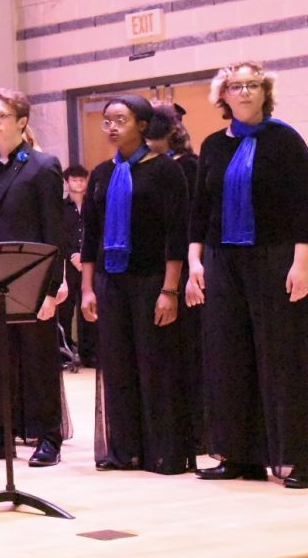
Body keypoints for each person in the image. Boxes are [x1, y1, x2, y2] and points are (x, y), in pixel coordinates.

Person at [187, 61, 308, 489]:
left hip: (274, 256)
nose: (243, 92)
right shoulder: (213, 145)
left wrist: (301, 263)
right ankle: (239, 455)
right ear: (223, 96)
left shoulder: (286, 141)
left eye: (252, 85)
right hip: (223, 258)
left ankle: (298, 457)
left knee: (281, 357)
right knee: (229, 355)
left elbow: (302, 205)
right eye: (235, 86)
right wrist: (194, 263)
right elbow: (201, 210)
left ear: (264, 92)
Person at [80, 95, 194, 474]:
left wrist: (170, 289)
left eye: (121, 120)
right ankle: (124, 450)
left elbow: (176, 234)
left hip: (151, 281)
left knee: (155, 364)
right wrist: (87, 288)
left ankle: (163, 452)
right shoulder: (100, 174)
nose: (111, 127)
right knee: (117, 366)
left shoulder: (165, 170)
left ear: (142, 126)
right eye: (107, 120)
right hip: (110, 281)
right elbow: (89, 238)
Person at [0, 88, 68, 468]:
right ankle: (1, 433)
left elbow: (54, 233)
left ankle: (48, 435)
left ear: (22, 121)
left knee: (39, 357)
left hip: (33, 278)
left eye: (1, 116)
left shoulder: (43, 165)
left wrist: (53, 288)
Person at [147, 102, 202, 450]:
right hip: (151, 268)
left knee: (185, 352)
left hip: (181, 268)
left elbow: (189, 224)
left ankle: (192, 431)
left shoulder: (188, 168)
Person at [57, 164, 96, 367]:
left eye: (82, 180)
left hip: (89, 264)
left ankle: (89, 352)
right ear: (67, 182)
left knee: (88, 306)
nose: (78, 183)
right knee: (66, 307)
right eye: (74, 180)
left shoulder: (92, 205)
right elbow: (60, 235)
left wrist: (86, 256)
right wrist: (72, 253)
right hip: (69, 264)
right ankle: (64, 352)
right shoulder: (61, 208)